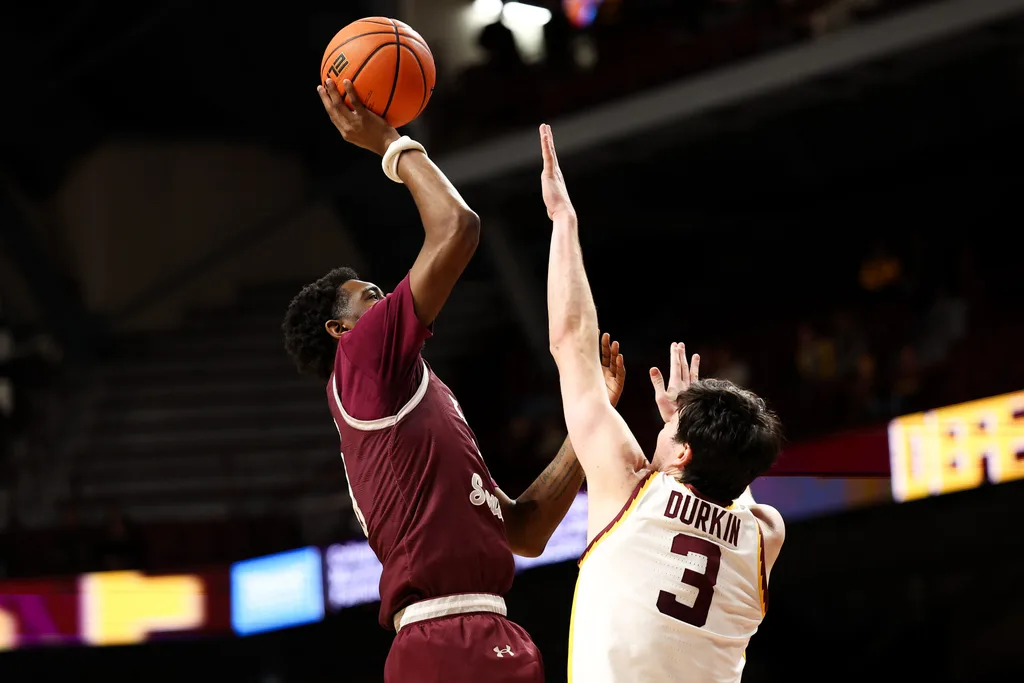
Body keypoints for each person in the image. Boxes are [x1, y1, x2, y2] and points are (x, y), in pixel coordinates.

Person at [282, 79, 627, 683]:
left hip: (494, 632)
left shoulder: (418, 400)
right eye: (369, 295)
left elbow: (524, 530)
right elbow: (457, 228)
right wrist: (388, 141)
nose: (386, 294)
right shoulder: (362, 362)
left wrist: (590, 416)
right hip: (442, 639)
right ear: (342, 330)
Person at [539, 123, 786, 683]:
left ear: (680, 456)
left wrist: (563, 221)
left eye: (670, 432)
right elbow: (731, 490)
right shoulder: (765, 536)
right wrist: (687, 427)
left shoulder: (631, 492)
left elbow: (570, 341)